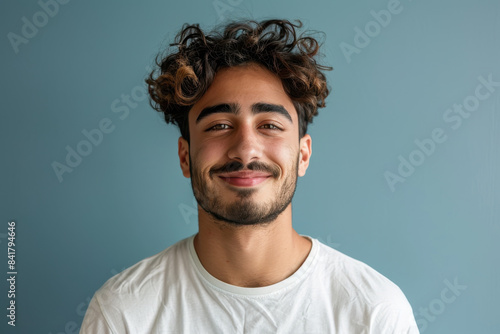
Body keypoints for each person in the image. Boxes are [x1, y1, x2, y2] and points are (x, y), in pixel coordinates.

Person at [80, 19, 419, 333]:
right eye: (219, 126)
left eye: (269, 126)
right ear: (185, 157)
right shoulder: (123, 313)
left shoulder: (374, 313)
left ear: (303, 154)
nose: (245, 149)